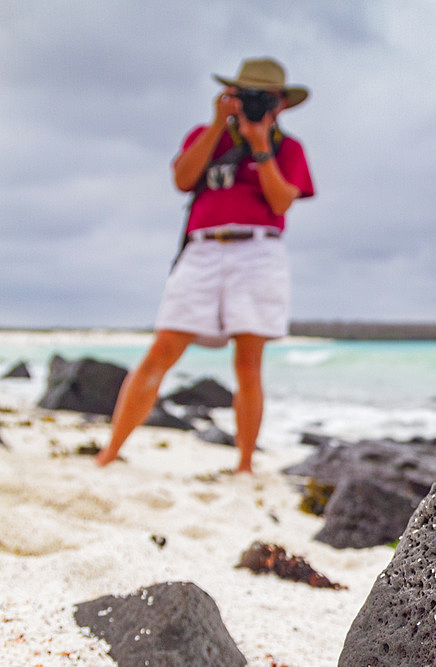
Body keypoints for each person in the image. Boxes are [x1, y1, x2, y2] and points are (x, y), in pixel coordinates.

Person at [95, 57, 315, 473]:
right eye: (246, 95)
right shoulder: (205, 135)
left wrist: (259, 143)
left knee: (249, 361)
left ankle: (245, 464)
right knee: (162, 348)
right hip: (202, 249)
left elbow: (283, 201)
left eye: (263, 98)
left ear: (281, 104)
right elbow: (182, 179)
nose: (254, 104)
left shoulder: (288, 147)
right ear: (229, 95)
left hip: (259, 250)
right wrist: (219, 125)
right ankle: (110, 451)